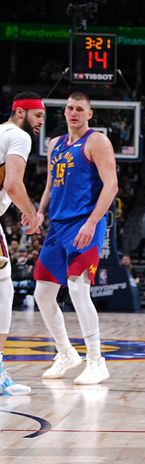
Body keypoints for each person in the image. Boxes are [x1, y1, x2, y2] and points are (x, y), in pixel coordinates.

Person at [34, 92, 119, 385]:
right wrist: (39, 213)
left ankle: (96, 360)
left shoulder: (97, 141)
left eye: (79, 109)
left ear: (89, 114)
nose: (73, 112)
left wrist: (93, 222)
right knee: (42, 294)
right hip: (57, 227)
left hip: (85, 224)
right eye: (70, 108)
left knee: (77, 289)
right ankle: (66, 353)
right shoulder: (54, 144)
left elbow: (112, 186)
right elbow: (49, 186)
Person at [0, 92, 46, 396]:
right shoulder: (17, 135)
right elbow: (13, 184)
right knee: (3, 291)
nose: (42, 122)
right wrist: (32, 214)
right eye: (38, 116)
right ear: (20, 112)